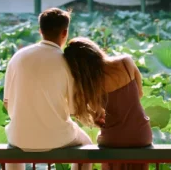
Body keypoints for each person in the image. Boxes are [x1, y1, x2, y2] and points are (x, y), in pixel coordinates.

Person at [3, 8, 92, 170]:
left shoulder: (18, 57)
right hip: (57, 137)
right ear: (65, 33)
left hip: (20, 137)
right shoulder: (66, 63)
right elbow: (73, 109)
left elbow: (7, 104)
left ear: (40, 31)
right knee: (86, 144)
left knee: (14, 145)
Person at [64, 38, 152, 170]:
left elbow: (78, 111)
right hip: (141, 134)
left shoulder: (89, 85)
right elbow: (139, 93)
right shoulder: (126, 62)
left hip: (113, 139)